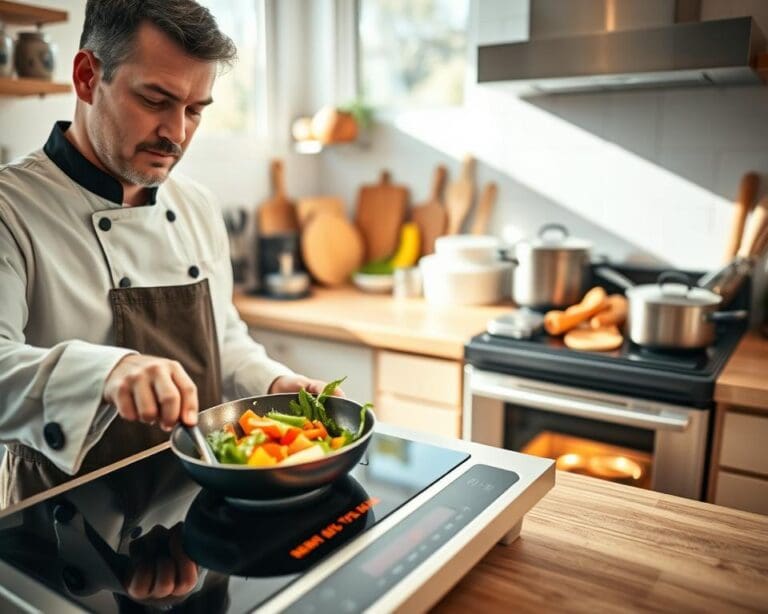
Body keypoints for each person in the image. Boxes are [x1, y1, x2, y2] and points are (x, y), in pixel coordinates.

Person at [0, 0, 336, 507]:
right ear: (88, 77)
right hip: (59, 520)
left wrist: (273, 381)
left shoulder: (197, 205)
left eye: (195, 110)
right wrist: (106, 373)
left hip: (199, 500)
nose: (177, 134)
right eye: (156, 100)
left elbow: (224, 340)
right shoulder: (11, 207)